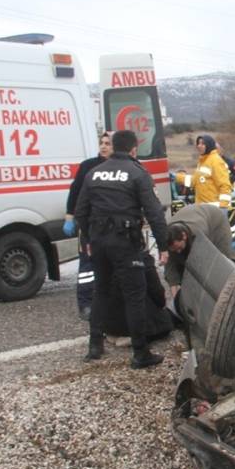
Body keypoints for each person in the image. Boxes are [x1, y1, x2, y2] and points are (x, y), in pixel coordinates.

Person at [74, 130, 168, 369]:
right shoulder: (137, 173)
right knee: (134, 295)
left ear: (113, 146)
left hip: (98, 241)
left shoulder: (94, 173)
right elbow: (154, 213)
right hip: (125, 242)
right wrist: (164, 244)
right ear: (134, 149)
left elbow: (81, 211)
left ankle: (95, 346)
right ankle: (140, 353)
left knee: (101, 291)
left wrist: (88, 238)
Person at [64, 131, 112, 320]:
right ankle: (85, 303)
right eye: (102, 142)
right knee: (87, 267)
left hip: (110, 225)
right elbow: (75, 190)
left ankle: (108, 302)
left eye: (108, 143)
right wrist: (70, 216)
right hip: (89, 225)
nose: (103, 146)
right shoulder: (88, 166)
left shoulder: (119, 167)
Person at [164, 203, 235, 302]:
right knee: (181, 263)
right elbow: (171, 270)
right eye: (175, 250)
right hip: (193, 217)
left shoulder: (199, 233)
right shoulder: (167, 238)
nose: (178, 251)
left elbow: (204, 265)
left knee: (224, 260)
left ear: (184, 236)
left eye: (179, 248)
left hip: (215, 221)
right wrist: (176, 300)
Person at [175, 135, 232, 209]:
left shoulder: (216, 161)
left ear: (209, 145)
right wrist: (176, 177)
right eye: (198, 143)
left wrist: (223, 207)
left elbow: (224, 185)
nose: (199, 146)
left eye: (202, 144)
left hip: (214, 209)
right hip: (202, 208)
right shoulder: (202, 162)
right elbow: (194, 181)